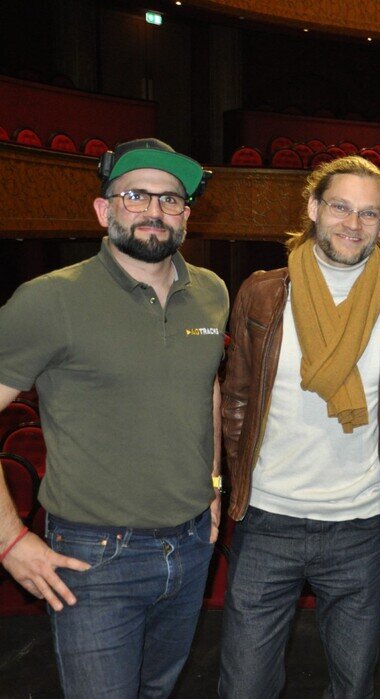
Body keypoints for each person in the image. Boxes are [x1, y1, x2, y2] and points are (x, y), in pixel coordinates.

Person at [0, 137, 228, 697]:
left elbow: (210, 394)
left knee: (157, 691)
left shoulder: (213, 292)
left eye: (170, 200)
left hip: (193, 542)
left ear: (186, 216)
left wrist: (215, 487)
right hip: (93, 557)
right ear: (104, 210)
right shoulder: (48, 300)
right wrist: (8, 539)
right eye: (135, 195)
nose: (154, 210)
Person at [218, 155, 380, 698]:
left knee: (352, 685)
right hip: (267, 519)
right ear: (313, 208)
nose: (352, 224)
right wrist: (237, 484)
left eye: (369, 214)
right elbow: (237, 399)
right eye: (340, 207)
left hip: (358, 527)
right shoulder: (262, 294)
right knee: (244, 686)